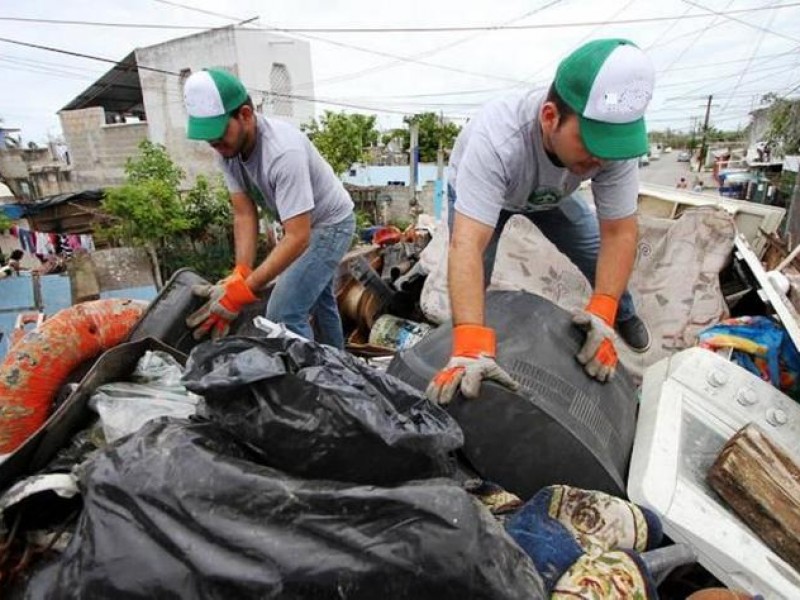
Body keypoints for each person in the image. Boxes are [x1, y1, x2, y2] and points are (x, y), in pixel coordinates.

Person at [426, 38, 655, 405]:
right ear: (550, 118)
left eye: (608, 146)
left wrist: (604, 309)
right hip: (489, 195)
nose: (600, 157)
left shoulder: (611, 150)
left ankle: (621, 315)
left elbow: (618, 232)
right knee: (474, 278)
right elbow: (467, 244)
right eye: (589, 141)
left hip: (553, 196)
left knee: (593, 251)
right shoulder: (499, 140)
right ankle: (470, 351)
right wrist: (469, 343)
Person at [182, 68, 355, 348]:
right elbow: (244, 213)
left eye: (219, 132)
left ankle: (311, 385)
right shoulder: (228, 151)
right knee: (319, 303)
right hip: (305, 226)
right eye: (208, 137)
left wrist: (244, 291)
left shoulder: (283, 152)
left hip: (331, 224)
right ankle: (339, 368)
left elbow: (298, 237)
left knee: (283, 314)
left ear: (246, 115)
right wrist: (241, 271)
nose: (214, 143)